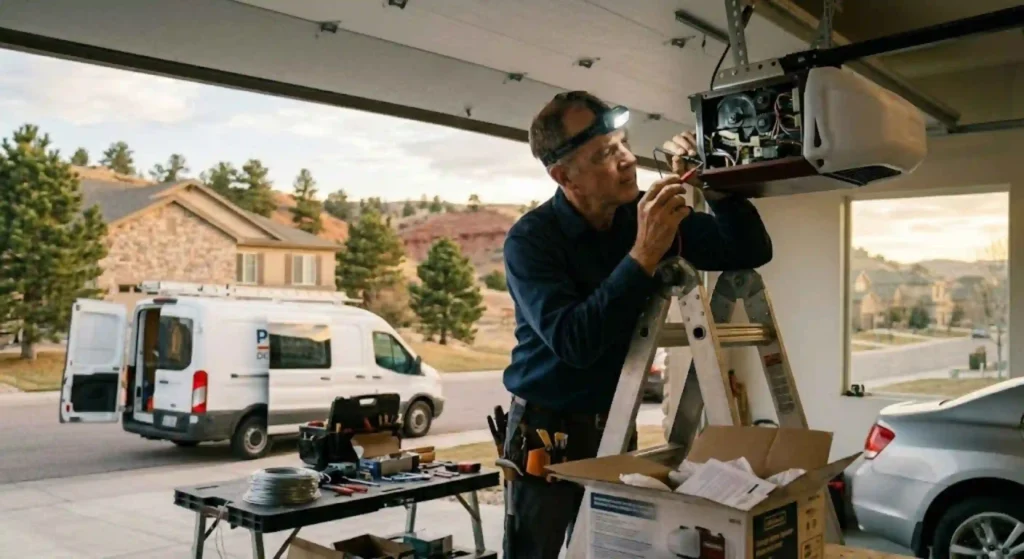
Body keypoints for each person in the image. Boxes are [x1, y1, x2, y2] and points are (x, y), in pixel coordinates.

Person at [499, 90, 774, 558]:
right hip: (547, 431)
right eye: (606, 154)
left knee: (608, 549)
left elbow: (749, 251)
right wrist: (644, 254)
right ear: (565, 176)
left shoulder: (643, 217)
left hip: (616, 419)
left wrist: (717, 184)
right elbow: (576, 342)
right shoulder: (531, 241)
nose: (628, 160)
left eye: (623, 143)